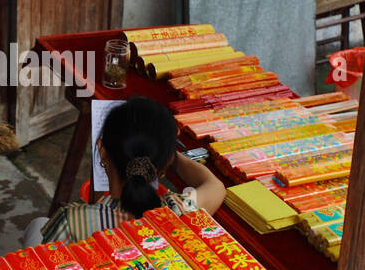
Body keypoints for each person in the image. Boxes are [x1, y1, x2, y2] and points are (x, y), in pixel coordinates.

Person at [23, 96, 226, 245]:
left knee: (38, 224)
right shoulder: (178, 211)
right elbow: (216, 186)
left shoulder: (71, 221)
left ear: (102, 151)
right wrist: (168, 153)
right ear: (164, 165)